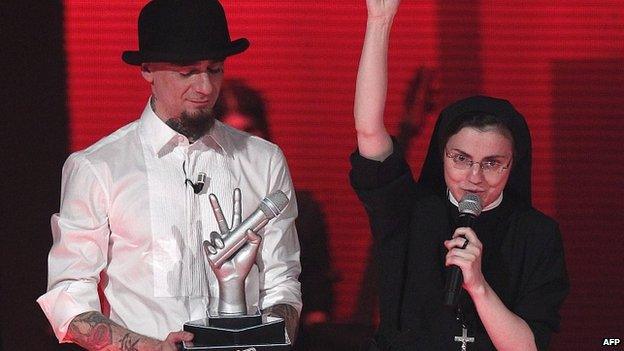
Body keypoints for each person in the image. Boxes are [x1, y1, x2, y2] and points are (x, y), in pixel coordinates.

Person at [37, 1, 301, 350]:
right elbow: (69, 296)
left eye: (215, 69)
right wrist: (153, 347)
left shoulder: (263, 160)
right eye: (186, 72)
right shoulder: (98, 167)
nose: (205, 87)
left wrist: (263, 340)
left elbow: (283, 281)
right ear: (147, 69)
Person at [350, 1, 569, 350]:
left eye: (492, 162)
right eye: (461, 158)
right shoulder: (408, 211)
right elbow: (369, 132)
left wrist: (478, 285)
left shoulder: (536, 234)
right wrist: (379, 19)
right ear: (442, 157)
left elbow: (528, 346)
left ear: (514, 165)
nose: (474, 176)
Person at [214, 79, 335, 328]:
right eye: (229, 133)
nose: (238, 147)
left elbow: (316, 301)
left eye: (247, 133)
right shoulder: (190, 205)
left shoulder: (302, 210)